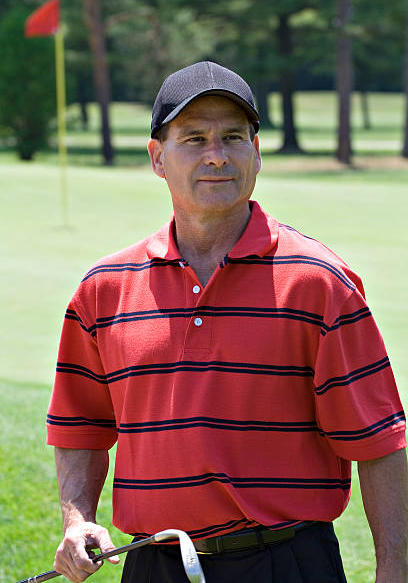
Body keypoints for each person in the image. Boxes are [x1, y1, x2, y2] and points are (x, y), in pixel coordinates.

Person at [47, 61, 407, 583]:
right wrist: (78, 518)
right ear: (157, 158)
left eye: (233, 137)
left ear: (256, 154)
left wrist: (394, 568)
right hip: (152, 565)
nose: (216, 154)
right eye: (193, 138)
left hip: (286, 562)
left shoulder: (320, 283)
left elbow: (377, 442)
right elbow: (80, 425)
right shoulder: (103, 289)